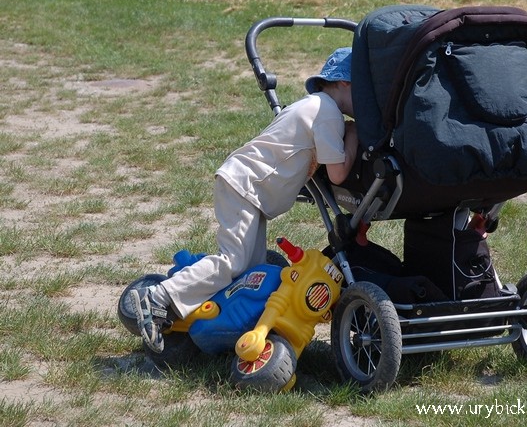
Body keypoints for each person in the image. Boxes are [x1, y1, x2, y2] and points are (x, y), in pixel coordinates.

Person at [130, 47, 358, 353]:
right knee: (233, 262)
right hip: (245, 185)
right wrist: (354, 134)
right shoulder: (328, 112)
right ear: (344, 82)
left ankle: (206, 320)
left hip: (250, 190)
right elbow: (339, 174)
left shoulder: (316, 105)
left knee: (250, 274)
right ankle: (157, 297)